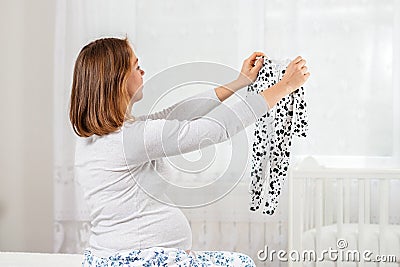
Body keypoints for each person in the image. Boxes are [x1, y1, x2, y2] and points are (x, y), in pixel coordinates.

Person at [69, 37, 309, 267]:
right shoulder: (131, 138)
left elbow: (174, 114)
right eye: (136, 66)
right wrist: (285, 86)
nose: (142, 72)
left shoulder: (101, 138)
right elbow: (216, 129)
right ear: (118, 79)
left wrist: (239, 82)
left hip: (118, 256)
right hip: (137, 259)